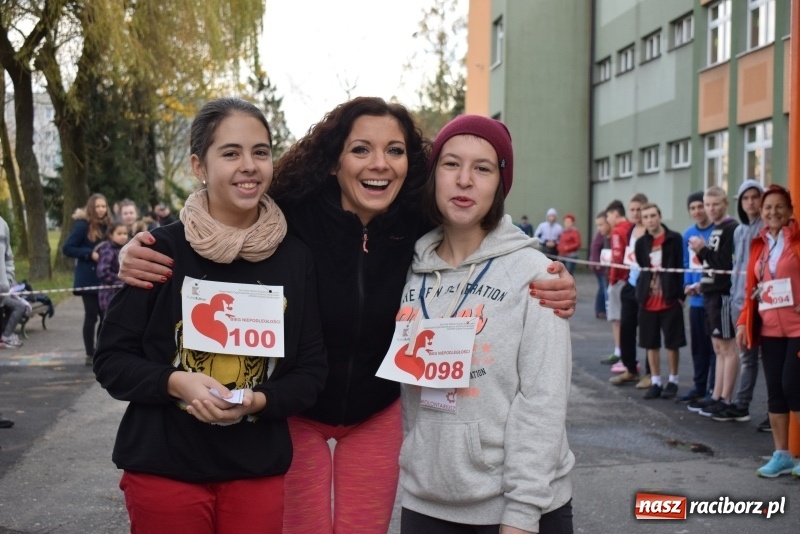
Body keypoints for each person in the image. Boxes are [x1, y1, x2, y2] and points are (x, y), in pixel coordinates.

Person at [117, 97, 578, 533]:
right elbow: (225, 213)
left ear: (412, 167)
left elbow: (480, 226)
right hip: (297, 410)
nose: (379, 163)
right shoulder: (288, 219)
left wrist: (547, 275)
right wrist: (135, 249)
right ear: (335, 161)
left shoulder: (420, 226)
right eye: (361, 150)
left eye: (394, 151)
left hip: (375, 413)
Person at [93, 97, 328, 532]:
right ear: (199, 166)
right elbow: (110, 360)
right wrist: (175, 381)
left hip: (255, 468)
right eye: (231, 152)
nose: (250, 165)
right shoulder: (159, 252)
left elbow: (311, 371)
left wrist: (258, 401)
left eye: (260, 151)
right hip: (164, 466)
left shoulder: (295, 258)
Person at [394, 114, 573, 533]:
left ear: (500, 184)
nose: (464, 180)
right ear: (434, 175)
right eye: (451, 164)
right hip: (425, 500)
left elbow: (543, 401)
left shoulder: (536, 275)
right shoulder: (407, 272)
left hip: (517, 509)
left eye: (483, 168)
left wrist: (522, 514)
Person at [735, 184, 800, 478]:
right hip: (770, 328)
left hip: (798, 328)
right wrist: (742, 322)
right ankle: (782, 455)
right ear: (761, 213)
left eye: (778, 207)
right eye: (767, 208)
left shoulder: (797, 241)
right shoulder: (759, 245)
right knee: (775, 392)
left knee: (793, 387)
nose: (773, 212)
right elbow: (754, 289)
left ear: (790, 211)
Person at [713, 180, 765, 424]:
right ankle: (740, 404)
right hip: (739, 302)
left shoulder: (767, 228)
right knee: (747, 356)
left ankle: (772, 412)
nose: (751, 202)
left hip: (763, 302)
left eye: (755, 197)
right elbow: (736, 266)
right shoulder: (740, 231)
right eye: (746, 198)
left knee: (772, 359)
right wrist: (736, 296)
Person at [688, 186, 739, 418]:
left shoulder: (731, 228)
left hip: (723, 295)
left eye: (715, 204)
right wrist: (702, 283)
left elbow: (725, 265)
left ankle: (727, 398)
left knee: (727, 348)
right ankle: (716, 394)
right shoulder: (717, 229)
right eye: (707, 204)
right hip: (710, 293)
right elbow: (711, 265)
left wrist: (703, 250)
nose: (710, 209)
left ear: (725, 203)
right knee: (718, 348)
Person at [634, 203, 685, 400]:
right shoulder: (641, 243)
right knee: (650, 343)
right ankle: (655, 381)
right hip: (647, 300)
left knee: (672, 343)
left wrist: (680, 296)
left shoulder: (674, 239)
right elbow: (641, 265)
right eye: (645, 217)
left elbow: (681, 266)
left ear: (660, 216)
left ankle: (673, 380)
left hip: (670, 299)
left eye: (653, 215)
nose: (650, 220)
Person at [63, 193, 111, 365]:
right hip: (87, 278)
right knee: (91, 315)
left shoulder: (108, 226)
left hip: (104, 278)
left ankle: (100, 350)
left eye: (103, 206)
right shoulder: (82, 226)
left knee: (105, 315)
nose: (101, 210)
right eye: (97, 206)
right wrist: (89, 254)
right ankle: (89, 353)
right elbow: (68, 248)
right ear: (91, 208)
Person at [678, 191, 716, 404]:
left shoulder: (716, 231)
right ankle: (699, 386)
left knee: (714, 347)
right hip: (695, 300)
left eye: (700, 206)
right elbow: (686, 263)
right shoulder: (688, 234)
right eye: (692, 208)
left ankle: (713, 389)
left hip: (713, 297)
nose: (697, 211)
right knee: (698, 346)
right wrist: (686, 284)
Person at [603, 200, 632, 371]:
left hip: (619, 279)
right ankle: (623, 353)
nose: (608, 220)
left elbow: (617, 257)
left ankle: (619, 351)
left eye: (608, 216)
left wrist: (613, 280)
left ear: (615, 213)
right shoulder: (632, 227)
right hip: (630, 278)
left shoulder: (617, 231)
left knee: (616, 318)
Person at [0, 215, 26, 349]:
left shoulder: (2, 225)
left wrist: (8, 280)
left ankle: (6, 336)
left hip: (2, 291)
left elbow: (8, 258)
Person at [95, 222, 129, 312]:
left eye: (125, 233)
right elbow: (102, 272)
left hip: (122, 296)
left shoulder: (125, 249)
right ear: (111, 235)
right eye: (119, 234)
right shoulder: (108, 249)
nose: (123, 236)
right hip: (109, 296)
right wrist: (122, 280)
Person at [589, 210, 610, 320]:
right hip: (599, 266)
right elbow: (595, 247)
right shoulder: (601, 235)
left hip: (601, 265)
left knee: (602, 288)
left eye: (601, 224)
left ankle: (600, 309)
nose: (598, 228)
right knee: (603, 288)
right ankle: (603, 309)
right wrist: (597, 263)